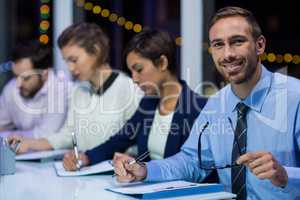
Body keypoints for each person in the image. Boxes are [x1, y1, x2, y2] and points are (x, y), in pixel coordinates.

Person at [113, 6, 300, 199]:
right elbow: (191, 161)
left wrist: (286, 176)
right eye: (218, 45)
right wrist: (144, 170)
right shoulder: (215, 105)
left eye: (237, 41)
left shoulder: (295, 98)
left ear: (259, 45)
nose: (228, 54)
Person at [62, 29, 210, 180]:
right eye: (131, 71)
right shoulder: (148, 105)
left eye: (139, 69)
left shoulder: (198, 108)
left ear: (162, 63)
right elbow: (119, 140)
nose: (134, 78)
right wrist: (85, 157)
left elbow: (195, 168)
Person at [8, 22, 142, 153]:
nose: (70, 68)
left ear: (96, 51)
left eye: (74, 60)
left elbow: (136, 147)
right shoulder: (79, 91)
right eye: (66, 61)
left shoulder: (130, 90)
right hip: (84, 172)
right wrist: (28, 142)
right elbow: (67, 136)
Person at [0, 41, 69, 138]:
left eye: (26, 78)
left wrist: (11, 136)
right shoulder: (11, 88)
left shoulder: (61, 89)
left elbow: (47, 135)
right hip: (22, 151)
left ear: (45, 74)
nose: (18, 84)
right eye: (16, 77)